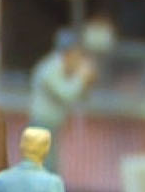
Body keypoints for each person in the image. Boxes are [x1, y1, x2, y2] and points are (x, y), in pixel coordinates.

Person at [28, 30, 96, 174]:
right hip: (43, 124)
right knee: (46, 168)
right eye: (77, 54)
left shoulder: (62, 68)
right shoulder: (51, 68)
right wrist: (81, 78)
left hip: (52, 124)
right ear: (68, 53)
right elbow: (66, 94)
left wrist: (86, 81)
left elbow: (79, 97)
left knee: (51, 167)